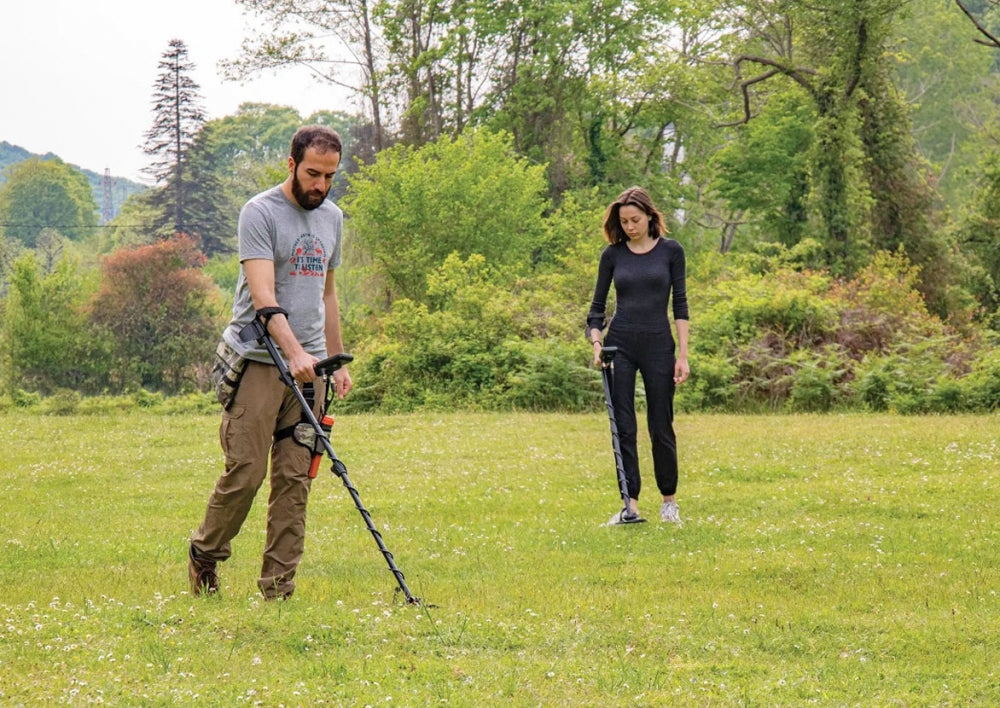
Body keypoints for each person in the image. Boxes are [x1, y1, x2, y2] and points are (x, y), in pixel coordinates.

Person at [189, 125, 353, 600]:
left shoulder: (333, 218)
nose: (320, 185)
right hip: (261, 363)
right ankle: (205, 554)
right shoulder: (259, 213)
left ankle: (278, 588)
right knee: (246, 473)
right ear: (292, 165)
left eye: (329, 176)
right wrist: (295, 353)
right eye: (313, 173)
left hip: (311, 370)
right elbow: (264, 298)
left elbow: (327, 292)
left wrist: (333, 360)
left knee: (295, 480)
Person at [586, 186, 689, 525]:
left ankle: (669, 502)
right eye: (624, 221)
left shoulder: (671, 252)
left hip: (660, 345)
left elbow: (680, 306)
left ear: (649, 216)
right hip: (621, 347)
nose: (629, 226)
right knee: (624, 426)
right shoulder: (612, 256)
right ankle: (630, 505)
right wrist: (598, 343)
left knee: (661, 425)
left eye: (635, 220)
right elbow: (597, 311)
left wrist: (683, 354)